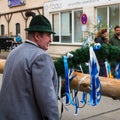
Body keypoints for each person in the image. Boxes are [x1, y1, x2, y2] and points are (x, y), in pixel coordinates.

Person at [0, 13, 60, 120]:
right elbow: (47, 100)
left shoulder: (13, 52)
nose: (51, 40)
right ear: (37, 36)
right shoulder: (41, 57)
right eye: (48, 35)